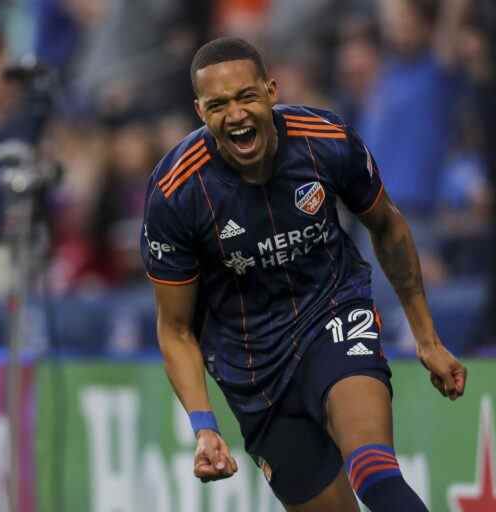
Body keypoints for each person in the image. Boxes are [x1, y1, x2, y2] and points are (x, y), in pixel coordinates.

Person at [140, 37, 467, 512]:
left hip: (333, 311)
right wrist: (204, 426)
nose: (235, 115)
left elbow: (388, 226)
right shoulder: (176, 192)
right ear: (199, 111)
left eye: (247, 96)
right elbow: (174, 328)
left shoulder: (326, 141)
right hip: (253, 369)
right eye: (218, 105)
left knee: (375, 472)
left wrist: (427, 338)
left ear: (271, 90)